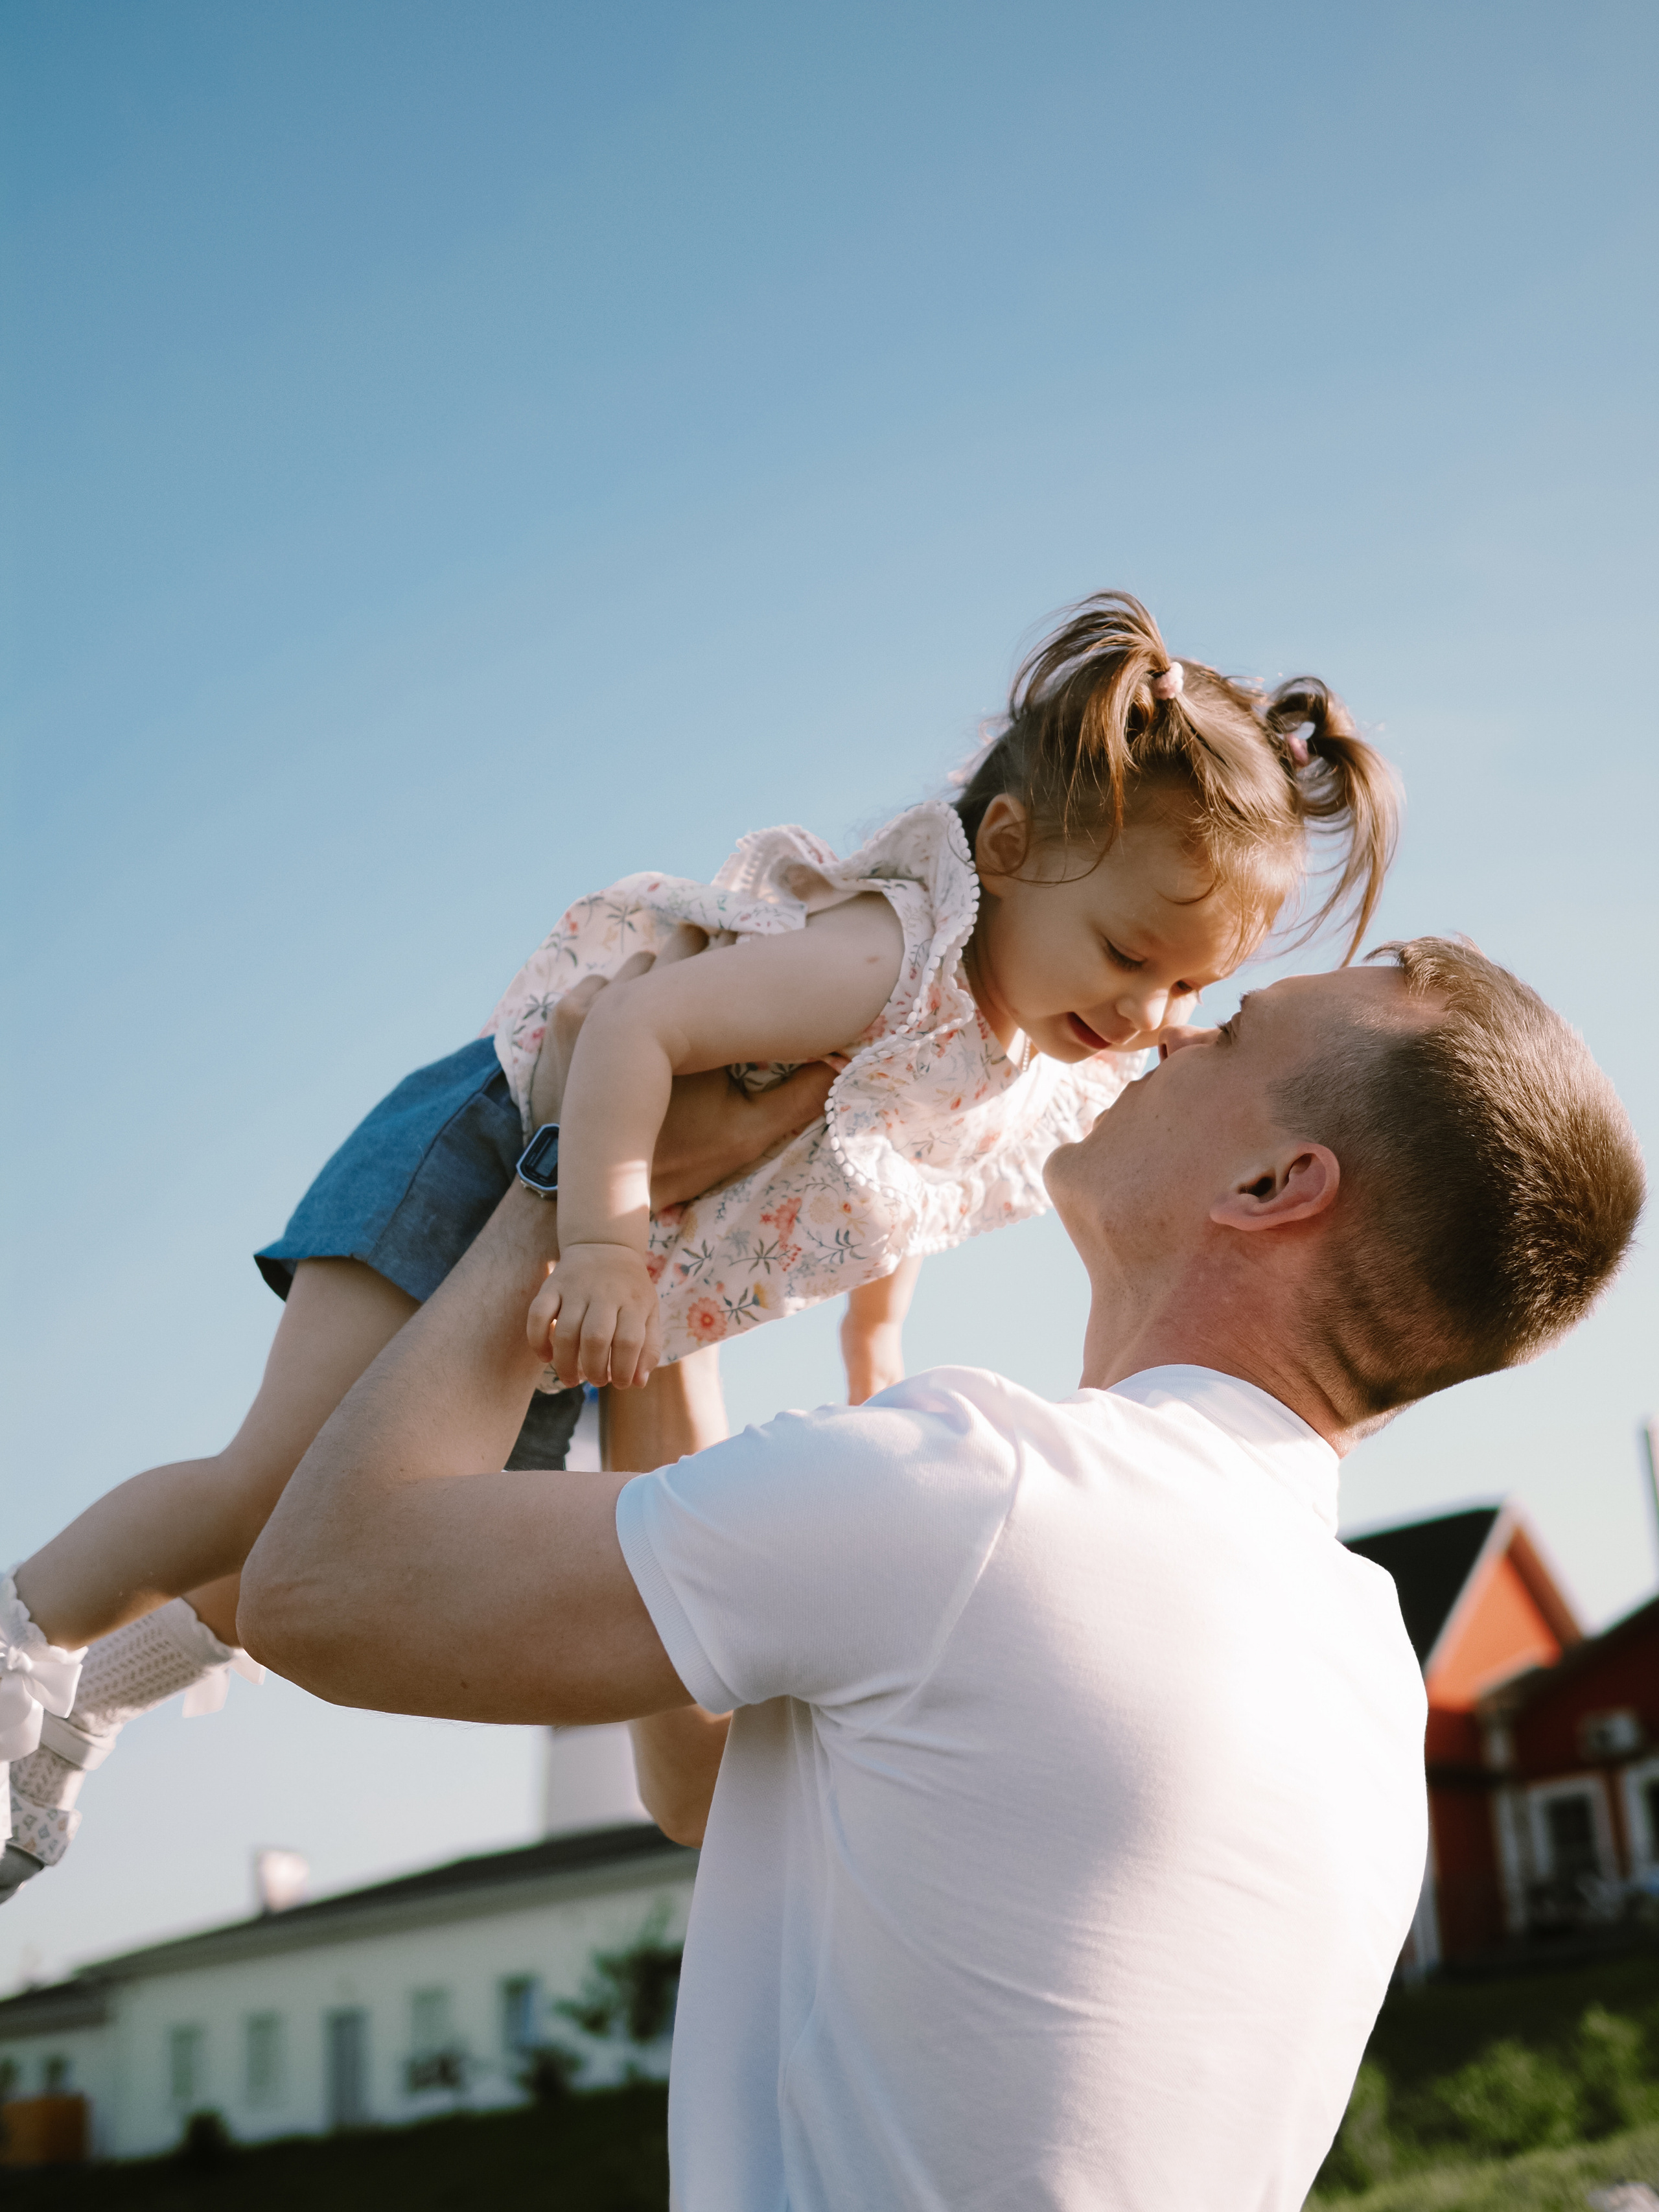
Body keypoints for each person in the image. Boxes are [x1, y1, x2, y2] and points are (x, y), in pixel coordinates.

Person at [0, 590, 1396, 1892]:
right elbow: (636, 1025)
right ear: (1009, 851)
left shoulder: (1009, 1053)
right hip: (499, 1156)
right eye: (1128, 956)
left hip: (620, 1267)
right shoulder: (887, 959)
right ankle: (21, 1630)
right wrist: (605, 1243)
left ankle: (84, 1707)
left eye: (1192, 988)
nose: (1150, 1015)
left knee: (346, 1537)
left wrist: (872, 1342)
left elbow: (903, 1171)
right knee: (271, 1477)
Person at [226, 933, 1643, 2208]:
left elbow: (317, 1587)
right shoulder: (1366, 1670)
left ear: (1272, 1185)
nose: (1165, 1025)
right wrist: (675, 1239)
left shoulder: (994, 1495)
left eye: (1230, 1030)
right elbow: (707, 1779)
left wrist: (567, 1165)